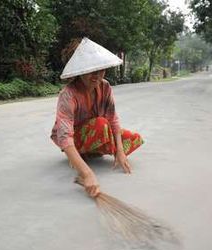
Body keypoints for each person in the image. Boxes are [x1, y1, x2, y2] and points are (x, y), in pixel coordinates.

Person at [51, 37, 143, 198]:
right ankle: (80, 156)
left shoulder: (105, 86)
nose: (97, 76)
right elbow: (64, 136)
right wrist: (87, 174)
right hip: (75, 140)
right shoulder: (68, 95)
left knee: (132, 138)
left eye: (101, 69)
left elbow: (113, 118)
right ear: (80, 71)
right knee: (101, 124)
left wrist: (120, 152)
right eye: (91, 70)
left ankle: (92, 152)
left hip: (98, 131)